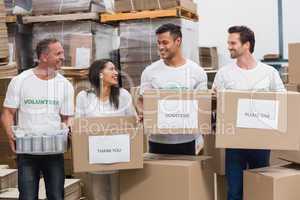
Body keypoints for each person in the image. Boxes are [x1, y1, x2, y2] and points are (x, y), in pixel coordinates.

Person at [213, 26, 285, 200]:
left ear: (246, 45)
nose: (229, 46)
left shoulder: (269, 73)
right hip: (234, 143)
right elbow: (215, 105)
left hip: (260, 142)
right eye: (228, 43)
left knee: (259, 190)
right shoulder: (224, 74)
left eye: (233, 43)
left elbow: (284, 103)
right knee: (234, 191)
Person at [1, 38, 74, 200]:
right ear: (43, 57)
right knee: (27, 196)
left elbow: (67, 117)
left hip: (54, 150)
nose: (63, 57)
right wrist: (10, 134)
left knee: (56, 195)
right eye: (58, 53)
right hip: (27, 150)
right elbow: (8, 113)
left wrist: (68, 129)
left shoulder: (64, 85)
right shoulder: (20, 80)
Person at [139, 23, 208, 155]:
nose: (161, 47)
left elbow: (202, 107)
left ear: (178, 41)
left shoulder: (196, 71)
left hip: (188, 140)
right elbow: (142, 100)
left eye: (165, 42)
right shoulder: (149, 72)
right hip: (158, 140)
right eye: (158, 43)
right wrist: (142, 112)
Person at [75, 59, 136, 199]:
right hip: (96, 157)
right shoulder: (84, 97)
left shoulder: (123, 95)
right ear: (99, 74)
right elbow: (79, 126)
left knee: (117, 195)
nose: (116, 73)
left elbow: (133, 123)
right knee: (99, 195)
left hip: (119, 156)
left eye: (115, 69)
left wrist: (137, 121)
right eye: (111, 69)